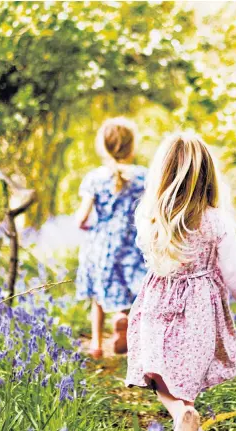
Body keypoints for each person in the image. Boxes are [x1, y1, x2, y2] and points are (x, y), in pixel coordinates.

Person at [127, 132, 236, 431]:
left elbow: (147, 255)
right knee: (187, 369)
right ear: (208, 176)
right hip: (200, 307)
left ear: (161, 175)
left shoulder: (150, 216)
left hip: (157, 303)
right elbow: (234, 271)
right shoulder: (216, 221)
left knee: (158, 371)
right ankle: (186, 418)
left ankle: (181, 415)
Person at [75, 118, 147, 359]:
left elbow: (81, 217)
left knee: (98, 294)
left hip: (101, 245)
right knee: (130, 291)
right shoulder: (143, 177)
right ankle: (123, 318)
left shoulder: (95, 178)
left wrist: (85, 224)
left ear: (103, 147)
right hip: (132, 243)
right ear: (131, 147)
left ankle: (96, 345)